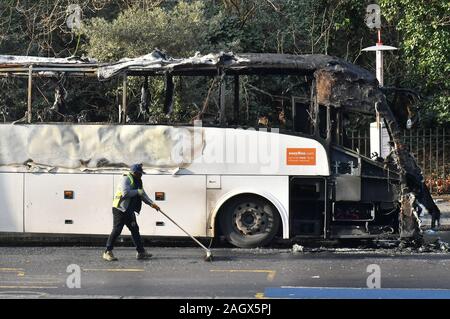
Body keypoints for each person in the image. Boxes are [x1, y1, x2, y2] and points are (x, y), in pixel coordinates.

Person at [103, 164, 160, 261]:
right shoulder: (126, 179)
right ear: (134, 173)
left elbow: (143, 195)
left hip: (129, 210)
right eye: (140, 173)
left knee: (135, 230)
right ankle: (107, 252)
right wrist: (137, 192)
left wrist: (152, 204)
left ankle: (141, 252)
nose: (141, 175)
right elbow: (125, 193)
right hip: (120, 209)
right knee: (117, 230)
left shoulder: (138, 181)